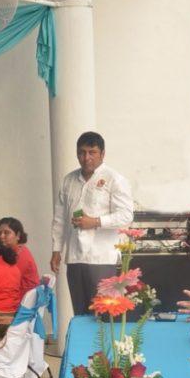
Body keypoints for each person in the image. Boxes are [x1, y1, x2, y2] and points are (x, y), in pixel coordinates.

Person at [50, 131, 135, 315]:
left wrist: (95, 222)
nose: (86, 157)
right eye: (81, 152)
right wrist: (57, 250)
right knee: (80, 313)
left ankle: (103, 346)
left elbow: (126, 216)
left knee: (103, 314)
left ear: (102, 154)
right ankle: (82, 345)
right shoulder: (69, 180)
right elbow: (59, 219)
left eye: (92, 152)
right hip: (74, 257)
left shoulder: (115, 179)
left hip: (101, 257)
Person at [0, 216, 41, 294]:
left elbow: (7, 281)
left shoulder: (21, 254)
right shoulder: (8, 251)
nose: (1, 236)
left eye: (6, 233)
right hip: (13, 293)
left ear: (18, 235)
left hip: (23, 299)